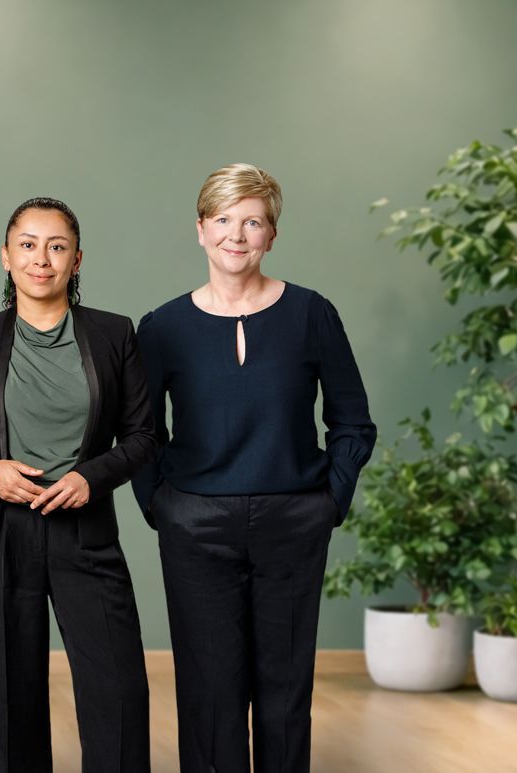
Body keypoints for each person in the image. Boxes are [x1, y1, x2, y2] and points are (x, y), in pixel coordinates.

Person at [133, 163, 376, 773]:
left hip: (294, 521)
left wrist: (331, 501)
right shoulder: (162, 328)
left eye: (253, 222)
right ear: (200, 230)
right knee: (208, 692)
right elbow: (139, 430)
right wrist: (162, 505)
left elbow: (352, 421)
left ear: (272, 235)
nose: (235, 235)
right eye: (222, 220)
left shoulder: (312, 315)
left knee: (286, 692)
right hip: (196, 524)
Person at [0, 197, 156, 772]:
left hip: (86, 532)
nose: (42, 259)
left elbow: (143, 436)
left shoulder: (113, 334)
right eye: (28, 246)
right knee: (10, 699)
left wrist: (91, 477)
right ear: (6, 257)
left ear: (76, 260)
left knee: (118, 693)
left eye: (57, 247)